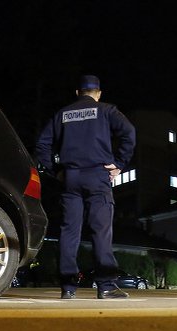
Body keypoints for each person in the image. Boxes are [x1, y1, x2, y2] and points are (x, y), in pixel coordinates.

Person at [35, 75, 136, 299]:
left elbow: (42, 145)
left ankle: (68, 288)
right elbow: (129, 133)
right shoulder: (107, 110)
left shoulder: (62, 114)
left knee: (69, 231)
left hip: (70, 178)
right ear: (98, 94)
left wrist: (56, 171)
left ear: (77, 93)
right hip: (98, 176)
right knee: (101, 231)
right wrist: (120, 163)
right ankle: (106, 286)